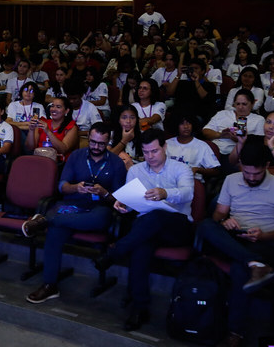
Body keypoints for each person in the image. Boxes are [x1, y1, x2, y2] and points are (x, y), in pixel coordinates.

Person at [196, 137, 274, 347]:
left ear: (267, 166)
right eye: (247, 173)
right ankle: (255, 265)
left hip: (267, 242)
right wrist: (225, 222)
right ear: (241, 166)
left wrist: (265, 235)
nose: (251, 178)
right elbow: (218, 214)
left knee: (239, 267)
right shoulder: (232, 180)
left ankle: (235, 333)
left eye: (256, 174)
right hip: (236, 237)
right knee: (206, 225)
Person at [97, 129, 195, 331]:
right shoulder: (135, 170)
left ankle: (115, 252)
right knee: (141, 246)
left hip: (177, 227)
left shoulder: (180, 169)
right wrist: (123, 205)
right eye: (146, 152)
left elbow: (187, 194)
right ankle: (139, 307)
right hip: (147, 228)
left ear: (164, 147)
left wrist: (165, 193)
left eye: (155, 151)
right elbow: (133, 202)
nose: (150, 156)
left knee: (156, 215)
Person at [23, 122, 127, 304]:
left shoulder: (117, 163)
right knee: (55, 232)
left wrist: (104, 193)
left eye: (101, 144)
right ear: (88, 139)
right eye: (93, 142)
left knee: (100, 217)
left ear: (108, 141)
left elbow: (119, 201)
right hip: (73, 205)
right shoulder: (77, 156)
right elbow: (62, 186)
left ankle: (46, 220)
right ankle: (49, 285)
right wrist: (76, 188)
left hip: (98, 210)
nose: (96, 147)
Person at [227, 110, 274, 179]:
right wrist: (240, 142)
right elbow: (232, 161)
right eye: (268, 122)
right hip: (250, 180)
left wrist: (272, 145)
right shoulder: (252, 139)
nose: (271, 127)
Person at [202, 90, 265, 158]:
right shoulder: (222, 114)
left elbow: (259, 143)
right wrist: (222, 135)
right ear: (234, 104)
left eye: (244, 104)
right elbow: (205, 131)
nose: (240, 107)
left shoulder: (258, 119)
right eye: (238, 104)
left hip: (237, 155)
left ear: (252, 104)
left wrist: (240, 140)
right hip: (214, 151)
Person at [163, 112, 220, 183]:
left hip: (192, 182)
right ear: (176, 125)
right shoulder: (167, 144)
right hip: (168, 181)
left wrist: (197, 169)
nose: (186, 126)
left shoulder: (202, 145)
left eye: (189, 123)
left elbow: (215, 171)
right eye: (182, 123)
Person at [25, 96, 79, 163]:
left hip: (60, 164)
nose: (53, 109)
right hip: (39, 161)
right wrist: (31, 130)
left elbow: (63, 150)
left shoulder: (71, 127)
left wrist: (48, 131)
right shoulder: (43, 122)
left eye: (58, 107)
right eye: (52, 106)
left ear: (66, 111)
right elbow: (30, 147)